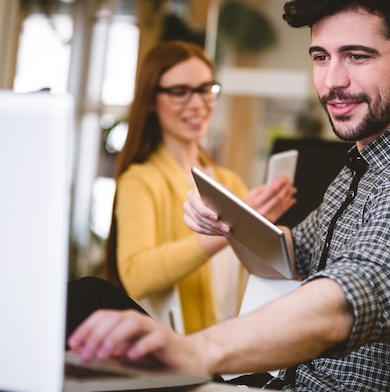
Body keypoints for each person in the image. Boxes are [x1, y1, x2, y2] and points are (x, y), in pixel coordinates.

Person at [67, 0, 390, 390]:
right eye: (320, 57)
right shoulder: (364, 165)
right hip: (277, 384)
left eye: (357, 56)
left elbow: (346, 301)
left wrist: (193, 350)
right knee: (88, 298)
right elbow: (294, 253)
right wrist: (228, 220)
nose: (333, 81)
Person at [101, 40, 296, 334]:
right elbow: (135, 276)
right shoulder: (141, 179)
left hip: (232, 350)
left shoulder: (229, 181)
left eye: (206, 89)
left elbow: (255, 275)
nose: (198, 104)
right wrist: (232, 228)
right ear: (152, 101)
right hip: (177, 353)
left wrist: (265, 235)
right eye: (180, 92)